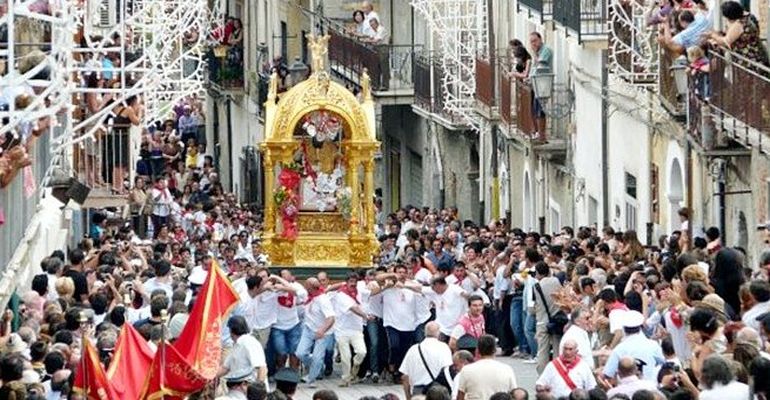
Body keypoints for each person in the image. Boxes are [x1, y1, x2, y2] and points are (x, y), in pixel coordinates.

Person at [294, 277, 335, 387]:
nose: (305, 288)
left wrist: (322, 330)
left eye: (307, 286)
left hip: (323, 332)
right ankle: (317, 365)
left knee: (317, 357)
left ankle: (311, 379)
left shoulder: (323, 300)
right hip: (308, 328)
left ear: (311, 288)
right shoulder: (308, 296)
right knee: (300, 353)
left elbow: (331, 318)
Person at [603, 311, 665, 382]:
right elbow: (663, 364)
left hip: (626, 390)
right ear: (640, 328)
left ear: (624, 329)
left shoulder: (619, 349)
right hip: (651, 387)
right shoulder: (653, 345)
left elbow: (608, 374)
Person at [398, 322, 453, 399]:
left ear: (424, 332)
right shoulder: (444, 348)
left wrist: (408, 397)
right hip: (439, 392)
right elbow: (448, 371)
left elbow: (405, 377)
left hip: (419, 392)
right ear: (438, 333)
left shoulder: (413, 349)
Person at [456, 334, 517, 400]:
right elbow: (514, 393)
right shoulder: (507, 369)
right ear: (495, 350)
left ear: (477, 350)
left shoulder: (466, 370)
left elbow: (460, 396)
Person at [533, 261, 563, 374]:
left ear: (538, 273)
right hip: (557, 320)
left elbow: (532, 308)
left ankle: (542, 374)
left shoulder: (536, 286)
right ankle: (557, 373)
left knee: (542, 351)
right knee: (557, 349)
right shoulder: (556, 281)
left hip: (542, 321)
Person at [527, 32, 552, 141]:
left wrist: (535, 54)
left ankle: (542, 135)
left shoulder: (545, 50)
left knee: (540, 109)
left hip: (542, 84)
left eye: (535, 41)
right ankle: (537, 133)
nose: (533, 44)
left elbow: (540, 66)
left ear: (540, 39)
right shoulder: (538, 52)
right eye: (531, 42)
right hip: (536, 84)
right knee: (535, 108)